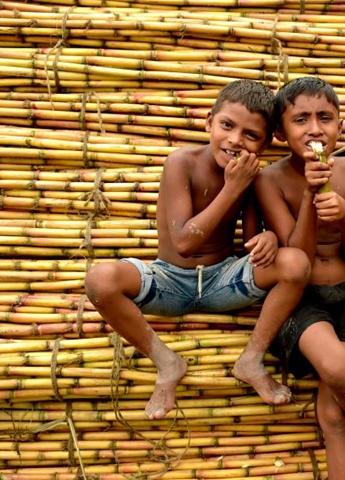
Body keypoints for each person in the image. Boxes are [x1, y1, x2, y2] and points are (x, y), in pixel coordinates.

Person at [84, 80, 311, 420]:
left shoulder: (251, 177)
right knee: (100, 279)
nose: (235, 140)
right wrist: (231, 188)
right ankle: (167, 362)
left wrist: (269, 240)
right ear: (209, 122)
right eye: (227, 125)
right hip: (170, 281)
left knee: (295, 263)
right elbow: (184, 242)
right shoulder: (182, 163)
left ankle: (251, 359)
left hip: (223, 282)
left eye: (251, 135)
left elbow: (250, 243)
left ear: (264, 145)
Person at [255, 76, 345, 480]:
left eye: (325, 118)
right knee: (336, 371)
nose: (314, 129)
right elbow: (295, 254)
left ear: (340, 126)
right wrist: (309, 198)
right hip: (302, 299)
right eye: (301, 120)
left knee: (334, 409)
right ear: (282, 133)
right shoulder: (271, 180)